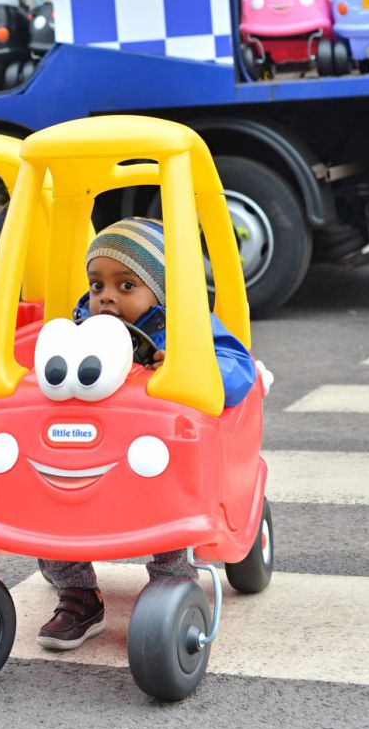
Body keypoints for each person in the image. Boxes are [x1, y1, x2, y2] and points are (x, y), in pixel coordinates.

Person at [36, 216, 256, 652]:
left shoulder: (184, 325)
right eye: (97, 286)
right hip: (94, 447)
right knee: (51, 502)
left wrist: (186, 362)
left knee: (169, 510)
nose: (107, 299)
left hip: (160, 455)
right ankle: (78, 593)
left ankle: (170, 583)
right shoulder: (82, 325)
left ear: (162, 289)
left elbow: (237, 367)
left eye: (127, 286)